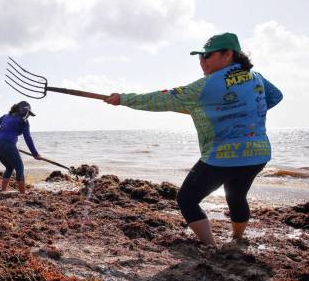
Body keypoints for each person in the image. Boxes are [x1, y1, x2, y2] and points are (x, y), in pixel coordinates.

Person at [102, 32, 283, 247]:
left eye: (207, 56)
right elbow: (275, 96)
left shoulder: (205, 86)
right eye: (200, 57)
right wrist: (241, 111)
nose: (202, 61)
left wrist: (122, 99)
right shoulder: (257, 77)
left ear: (228, 54)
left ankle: (210, 246)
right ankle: (237, 240)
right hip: (258, 154)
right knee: (236, 196)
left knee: (186, 199)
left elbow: (161, 99)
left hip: (223, 156)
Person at [0, 101, 41, 194]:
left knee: (9, 167)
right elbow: (28, 138)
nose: (28, 116)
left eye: (29, 114)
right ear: (22, 111)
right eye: (28, 113)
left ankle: (3, 191)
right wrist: (35, 154)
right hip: (8, 144)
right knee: (19, 168)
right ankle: (22, 194)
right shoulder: (24, 122)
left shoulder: (5, 116)